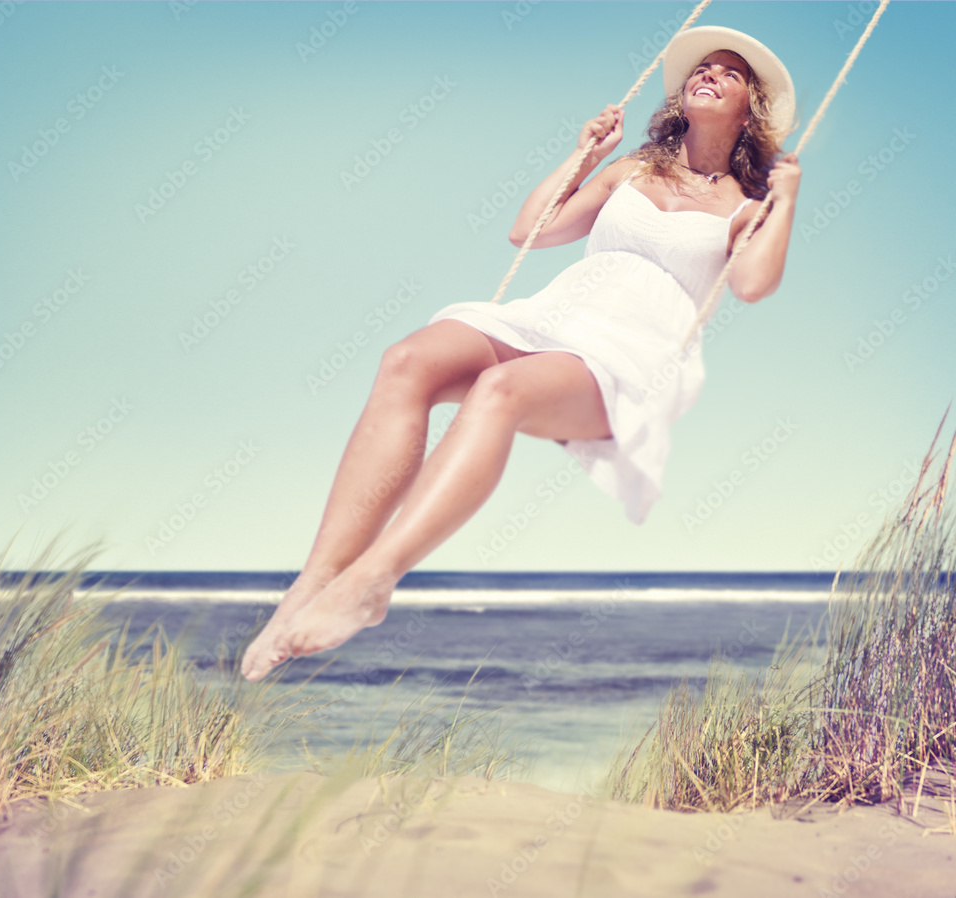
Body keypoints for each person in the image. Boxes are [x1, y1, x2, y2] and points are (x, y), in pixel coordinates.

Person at [241, 26, 802, 680]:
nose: (708, 74)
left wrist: (786, 200)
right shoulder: (633, 172)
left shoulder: (745, 203)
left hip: (632, 352)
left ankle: (374, 579)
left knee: (497, 394)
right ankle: (314, 582)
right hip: (557, 317)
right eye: (702, 67)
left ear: (750, 107)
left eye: (728, 74)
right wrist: (584, 155)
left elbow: (753, 284)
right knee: (407, 359)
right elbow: (528, 232)